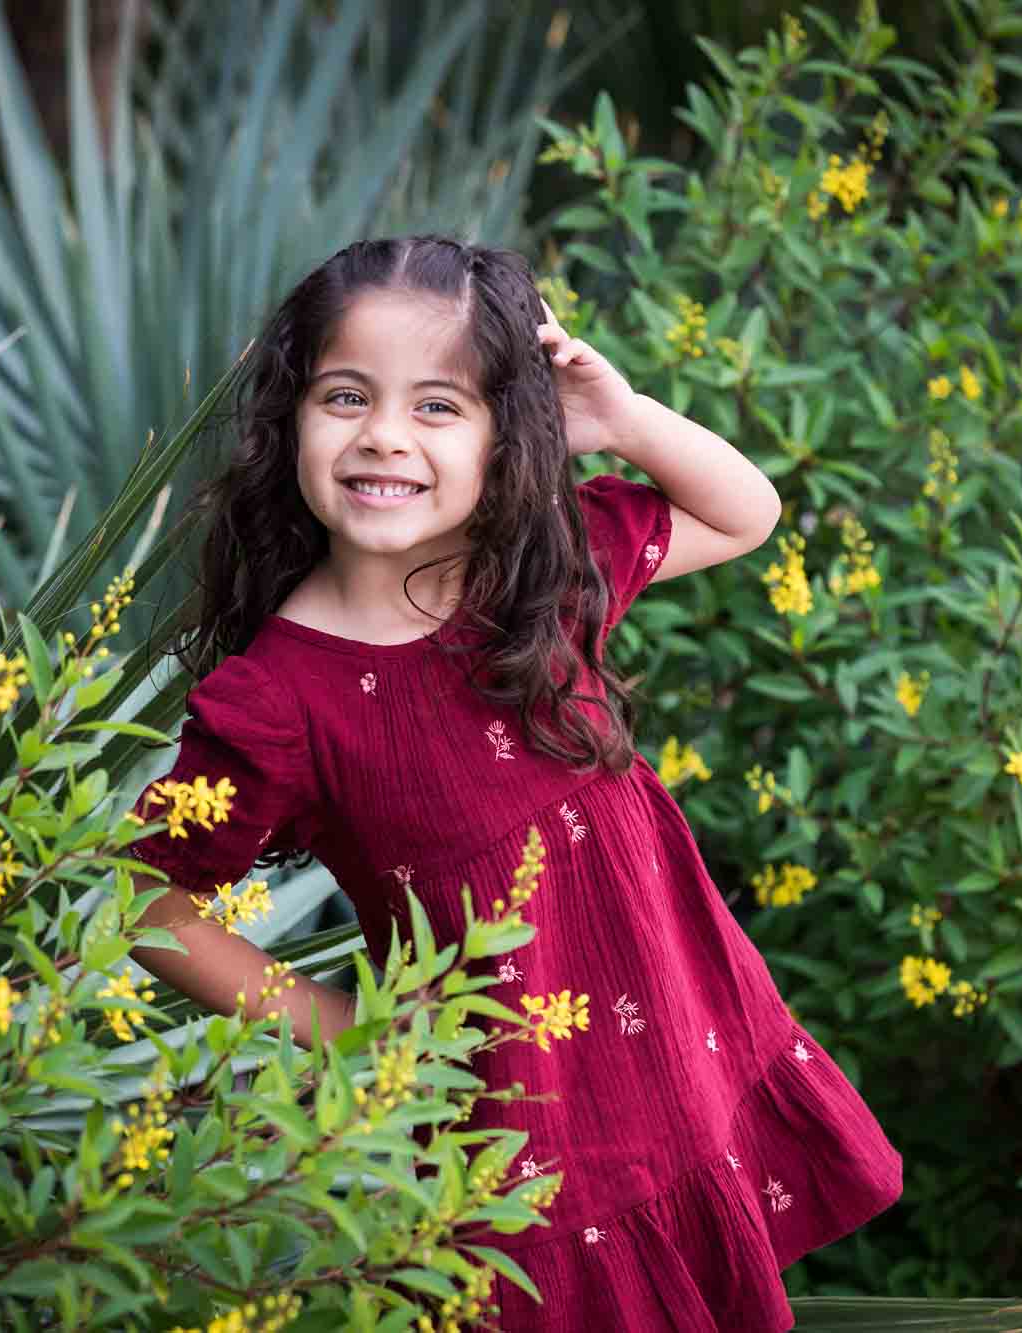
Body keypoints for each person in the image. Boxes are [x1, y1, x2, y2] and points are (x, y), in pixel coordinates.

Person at [126, 235, 902, 1331]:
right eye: (344, 396)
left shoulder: (542, 574)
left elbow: (743, 512)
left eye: (438, 405)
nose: (382, 435)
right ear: (289, 420)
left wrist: (625, 420)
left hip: (679, 1055)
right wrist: (339, 1026)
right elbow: (144, 904)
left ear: (507, 433)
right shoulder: (282, 696)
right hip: (522, 1142)